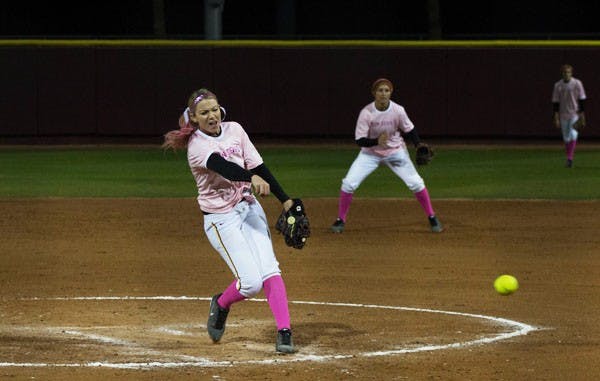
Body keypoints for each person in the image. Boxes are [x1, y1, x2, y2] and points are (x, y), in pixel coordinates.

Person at [163, 88, 298, 354]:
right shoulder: (197, 146)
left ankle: (284, 332)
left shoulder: (235, 129)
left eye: (214, 109)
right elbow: (224, 167)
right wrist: (250, 178)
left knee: (270, 268)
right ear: (194, 118)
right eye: (204, 113)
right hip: (220, 219)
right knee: (250, 283)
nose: (212, 116)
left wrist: (285, 199)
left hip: (248, 208)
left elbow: (259, 166)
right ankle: (222, 303)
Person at [330, 78, 443, 233]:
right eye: (380, 90)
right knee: (348, 184)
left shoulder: (398, 110)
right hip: (370, 154)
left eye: (386, 90)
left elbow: (409, 129)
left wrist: (417, 145)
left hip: (396, 152)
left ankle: (432, 217)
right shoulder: (366, 113)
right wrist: (376, 141)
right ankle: (340, 220)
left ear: (391, 93)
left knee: (416, 183)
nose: (383, 94)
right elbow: (359, 141)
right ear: (374, 93)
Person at [552, 64, 587, 168]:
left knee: (573, 134)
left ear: (571, 73)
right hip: (563, 114)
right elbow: (555, 103)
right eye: (564, 72)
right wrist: (556, 117)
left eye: (568, 72)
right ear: (562, 74)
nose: (566, 74)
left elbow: (582, 100)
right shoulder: (558, 85)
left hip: (574, 114)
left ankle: (570, 159)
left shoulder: (577, 83)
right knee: (566, 138)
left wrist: (582, 115)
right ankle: (569, 157)